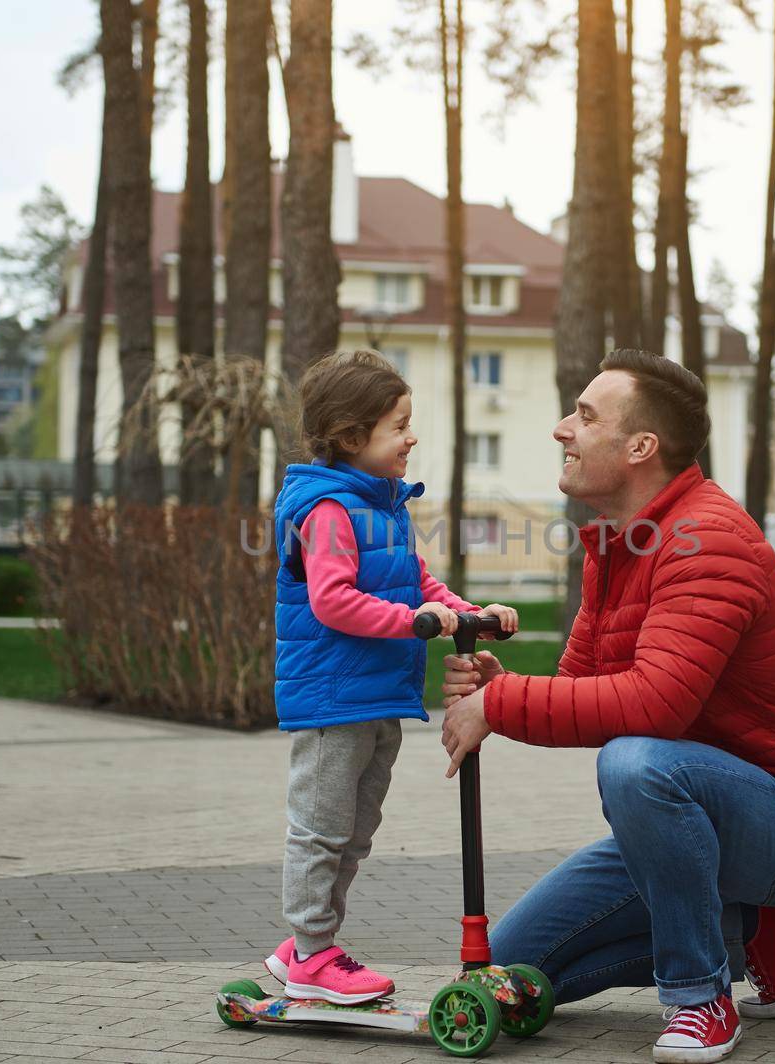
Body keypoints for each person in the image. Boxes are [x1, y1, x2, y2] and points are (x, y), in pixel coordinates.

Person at [439, 349, 775, 1064]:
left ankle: (700, 998)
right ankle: (735, 930)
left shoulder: (709, 541)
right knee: (503, 971)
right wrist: (498, 684)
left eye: (585, 415)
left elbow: (653, 707)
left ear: (641, 447)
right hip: (690, 818)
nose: (562, 429)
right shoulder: (623, 542)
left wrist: (502, 706)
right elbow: (584, 688)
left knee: (635, 762)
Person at [265, 349, 519, 1004]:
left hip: (376, 695)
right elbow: (332, 600)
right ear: (352, 437)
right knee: (321, 829)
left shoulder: (383, 506)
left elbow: (418, 584)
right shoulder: (326, 510)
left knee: (355, 831)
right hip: (332, 698)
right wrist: (416, 621)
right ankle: (314, 953)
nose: (411, 438)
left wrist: (471, 613)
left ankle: (304, 949)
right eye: (398, 426)